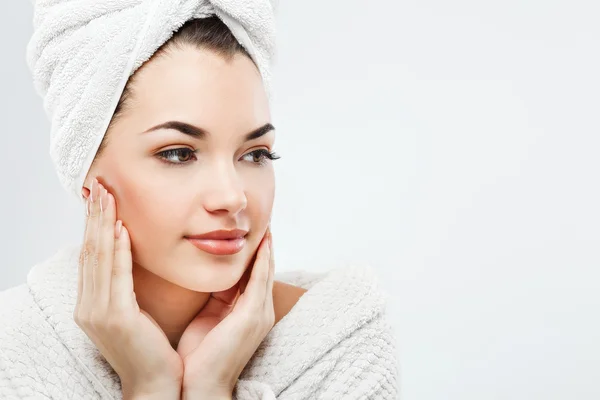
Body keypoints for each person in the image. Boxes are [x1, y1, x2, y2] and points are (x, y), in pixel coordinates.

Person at [0, 2, 399, 399]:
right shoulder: (17, 350)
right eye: (178, 153)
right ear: (86, 171)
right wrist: (149, 386)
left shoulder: (339, 336)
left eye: (255, 154)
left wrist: (211, 387)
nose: (232, 197)